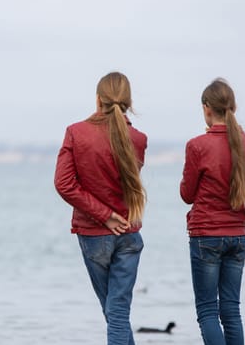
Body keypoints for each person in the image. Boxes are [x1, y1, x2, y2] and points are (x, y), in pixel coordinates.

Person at [180, 78, 245, 345]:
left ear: (207, 108)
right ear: (232, 107)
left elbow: (187, 195)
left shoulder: (197, 145)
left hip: (206, 237)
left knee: (208, 311)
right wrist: (243, 219)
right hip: (236, 238)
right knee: (232, 311)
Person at [54, 72, 147, 345]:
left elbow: (63, 184)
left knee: (114, 311)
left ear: (97, 100)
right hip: (129, 234)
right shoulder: (139, 139)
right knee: (117, 311)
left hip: (95, 235)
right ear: (128, 102)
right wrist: (109, 215)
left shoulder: (76, 133)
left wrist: (104, 216)